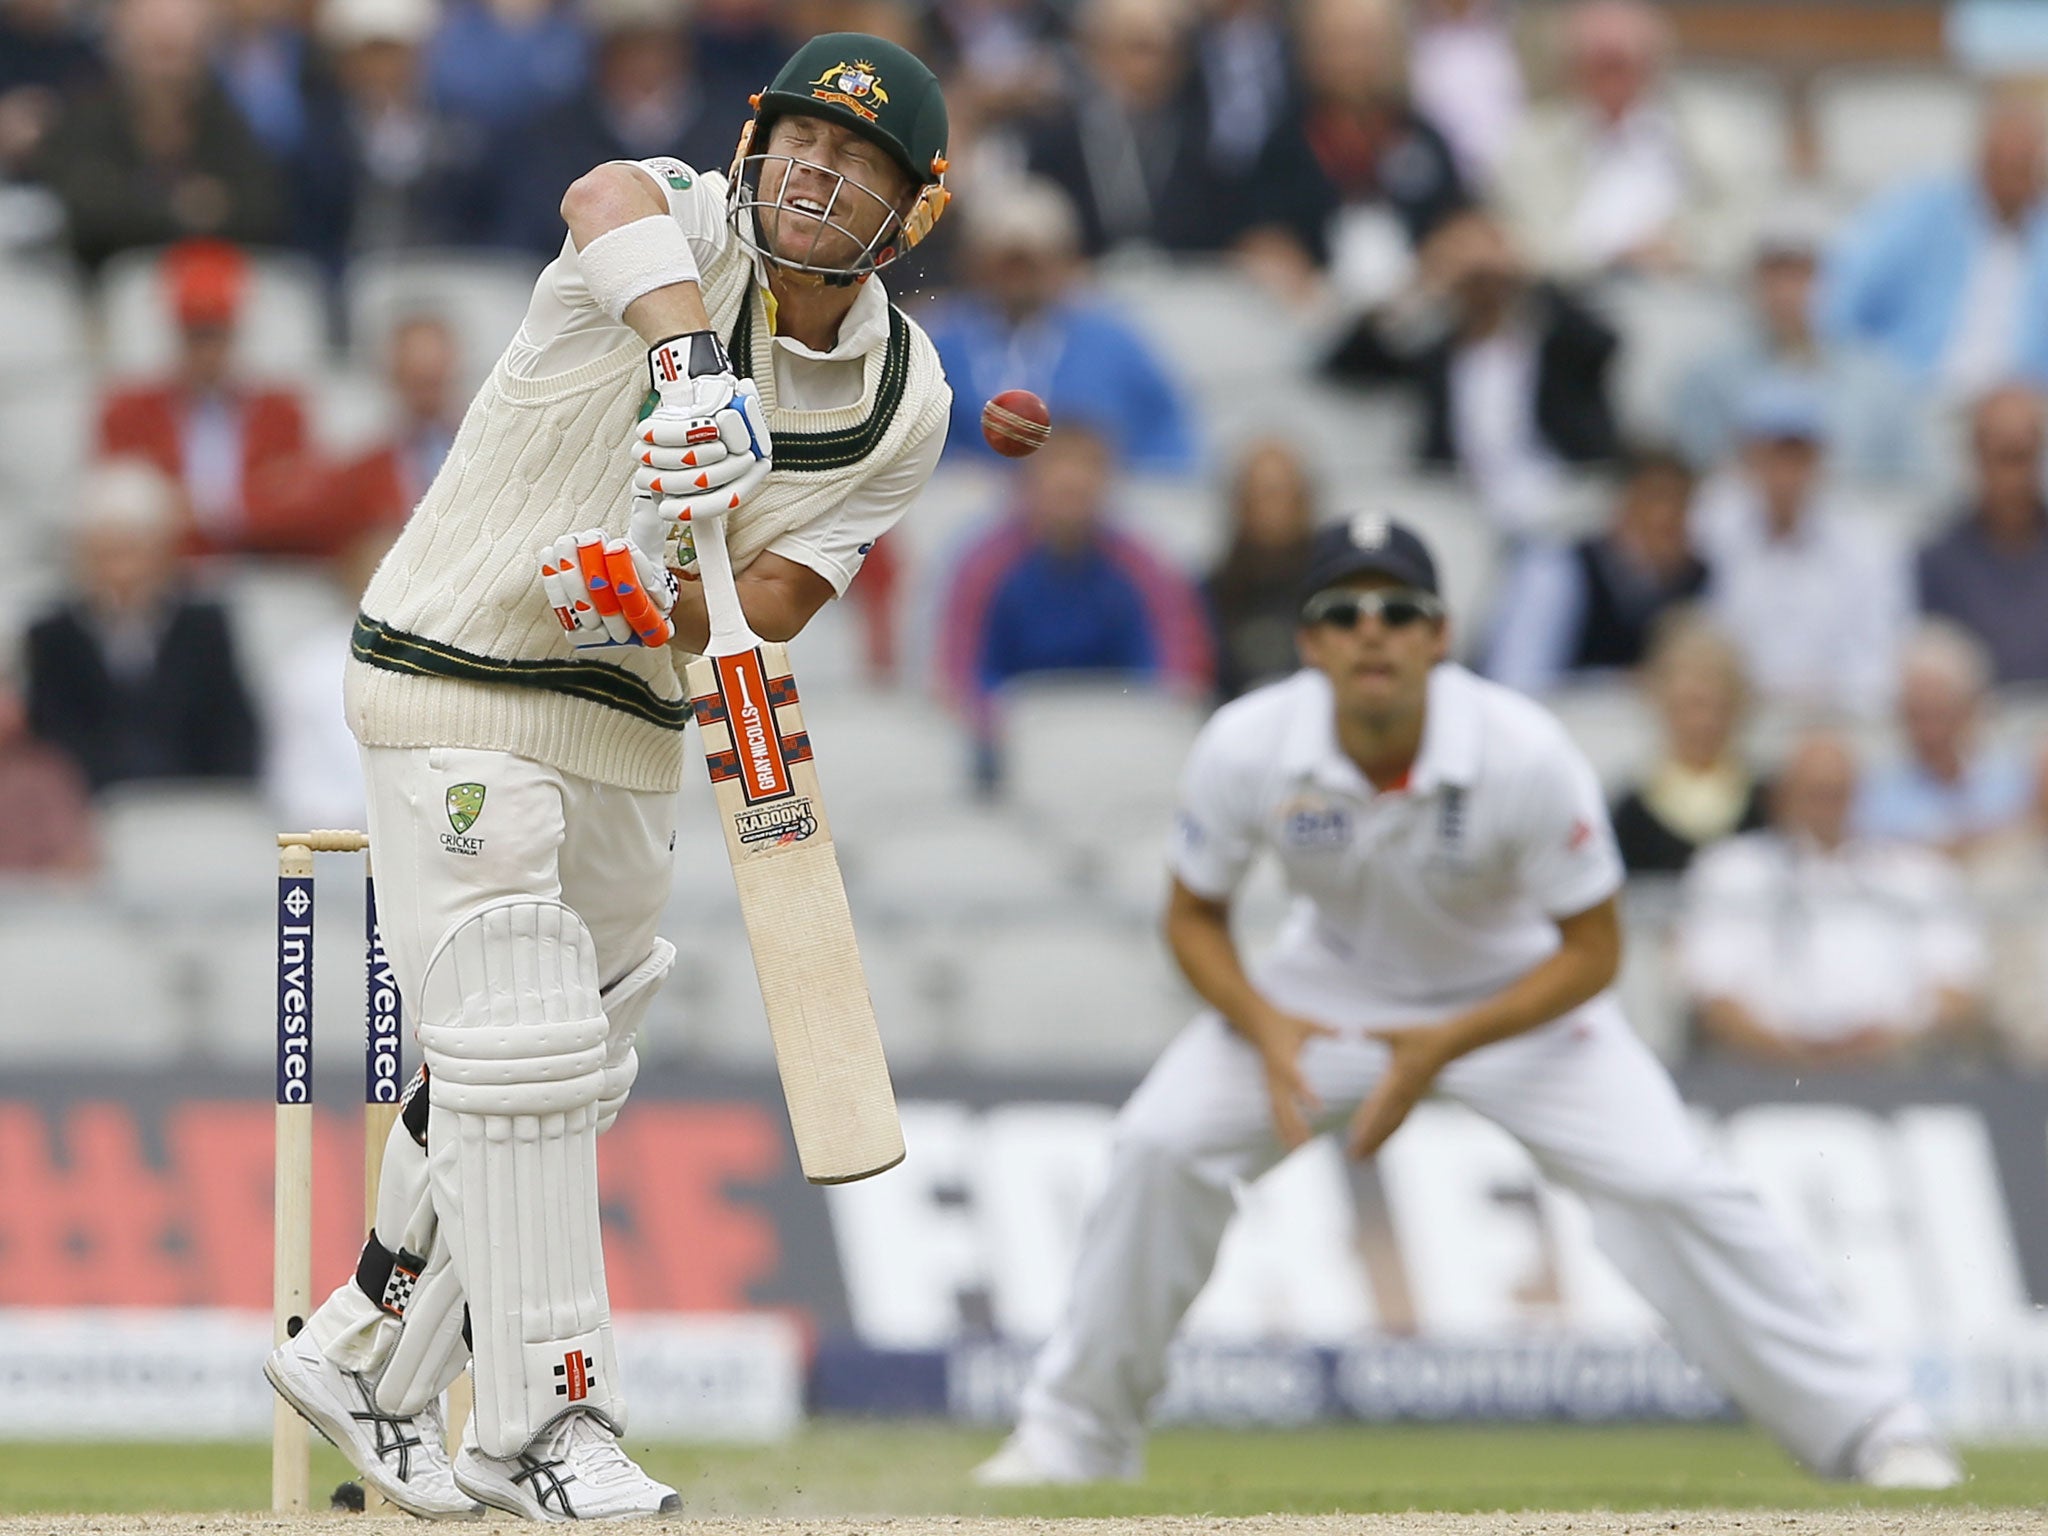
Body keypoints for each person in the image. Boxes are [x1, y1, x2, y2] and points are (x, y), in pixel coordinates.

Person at [264, 31, 955, 1520]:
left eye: (862, 162)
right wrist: (685, 357)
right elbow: (594, 194)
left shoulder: (905, 397)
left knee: (573, 1055)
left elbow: (770, 605)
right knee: (517, 1024)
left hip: (630, 719)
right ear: (757, 144)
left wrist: (652, 594)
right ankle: (540, 1428)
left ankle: (363, 1348)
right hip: (454, 660)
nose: (819, 172)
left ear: (913, 212)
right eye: (803, 142)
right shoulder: (684, 223)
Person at [973, 514, 1959, 1492]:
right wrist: (1268, 1029)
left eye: (1397, 610)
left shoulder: (1519, 750)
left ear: (1438, 635)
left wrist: (1439, 1045)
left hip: (1515, 998)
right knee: (1157, 1146)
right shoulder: (1247, 744)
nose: (1372, 630)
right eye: (1343, 610)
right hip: (1325, 992)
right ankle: (1076, 1437)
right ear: (1308, 640)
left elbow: (1591, 952)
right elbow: (1191, 916)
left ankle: (1874, 1429)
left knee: (1672, 1186)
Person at [1678, 730, 1988, 1070]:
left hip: (1898, 1070)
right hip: (1761, 1072)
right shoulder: (1730, 871)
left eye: (1838, 793)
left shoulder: (1917, 873)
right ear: (1780, 796)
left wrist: (1885, 1041)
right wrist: (1793, 1055)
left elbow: (1957, 984)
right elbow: (1711, 990)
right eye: (1813, 793)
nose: (1826, 807)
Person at [938, 422, 1213, 770]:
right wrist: (1010, 726)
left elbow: (1174, 668)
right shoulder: (984, 567)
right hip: (1011, 752)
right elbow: (962, 675)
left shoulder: (1142, 567)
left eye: (1082, 483)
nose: (1071, 494)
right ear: (1028, 485)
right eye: (1059, 483)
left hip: (1121, 741)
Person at [1326, 208, 1620, 533]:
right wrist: (1420, 282)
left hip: (1557, 497)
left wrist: (1522, 271)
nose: (1481, 284)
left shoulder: (1554, 343)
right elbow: (1344, 365)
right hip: (1462, 509)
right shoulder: (1432, 355)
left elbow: (1602, 344)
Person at [922, 175, 1196, 473]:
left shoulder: (1115, 343)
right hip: (970, 502)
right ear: (974, 262)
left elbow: (1169, 437)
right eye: (1006, 264)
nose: (1019, 280)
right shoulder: (939, 343)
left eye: (1032, 264)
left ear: (1064, 260)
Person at [22, 458, 261, 794]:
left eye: (131, 551)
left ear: (164, 552)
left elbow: (232, 725)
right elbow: (53, 734)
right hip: (91, 802)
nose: (120, 571)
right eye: (104, 554)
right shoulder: (52, 636)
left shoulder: (205, 628)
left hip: (192, 797)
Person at [1492, 0, 1757, 281]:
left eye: (1622, 64)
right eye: (1598, 65)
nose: (1612, 81)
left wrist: (1685, 248)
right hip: (1572, 300)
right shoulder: (1532, 143)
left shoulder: (1712, 134)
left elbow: (1742, 226)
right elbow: (1519, 244)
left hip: (1685, 291)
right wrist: (1610, 257)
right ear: (1571, 68)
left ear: (1653, 64)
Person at [1692, 377, 1909, 718]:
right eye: (1771, 455)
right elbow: (1703, 639)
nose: (1784, 473)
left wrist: (1822, 702)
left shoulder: (1866, 545)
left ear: (1820, 459)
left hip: (1834, 727)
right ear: (1747, 458)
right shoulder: (1708, 533)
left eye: (1797, 456)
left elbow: (1880, 654)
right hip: (1733, 724)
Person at [1672, 206, 1925, 485]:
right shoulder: (1709, 378)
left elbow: (1911, 478)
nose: (1787, 292)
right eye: (1775, 275)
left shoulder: (1876, 378)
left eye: (1802, 274)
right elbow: (1703, 483)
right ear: (1753, 280)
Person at [1820, 94, 2048, 397]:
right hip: (1920, 394)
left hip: (2024, 409)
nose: (2011, 178)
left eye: (2022, 166)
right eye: (2001, 163)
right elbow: (1847, 297)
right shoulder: (1920, 213)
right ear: (1980, 160)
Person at [96, 238, 312, 554]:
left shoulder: (284, 414)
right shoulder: (126, 412)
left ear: (235, 333)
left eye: (217, 334)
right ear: (177, 334)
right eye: (196, 336)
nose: (207, 352)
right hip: (165, 569)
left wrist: (207, 513)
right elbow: (116, 502)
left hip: (258, 558)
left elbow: (303, 502)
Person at [32, 0, 285, 269]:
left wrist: (146, 204)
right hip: (100, 288)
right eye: (158, 51)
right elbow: (87, 209)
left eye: (180, 52)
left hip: (212, 282)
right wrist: (188, 206)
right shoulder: (84, 118)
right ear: (121, 46)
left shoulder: (228, 122)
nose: (168, 72)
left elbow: (262, 207)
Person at [1483, 446, 1706, 695]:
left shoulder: (1700, 578)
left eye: (1681, 503)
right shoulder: (1559, 568)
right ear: (1623, 503)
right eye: (1656, 499)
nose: (1668, 516)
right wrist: (1619, 684)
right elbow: (1517, 680)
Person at [1609, 614, 1766, 874]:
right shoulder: (1631, 812)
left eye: (1718, 706)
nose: (1703, 722)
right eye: (1691, 705)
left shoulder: (1767, 803)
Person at [1856, 621, 2030, 853]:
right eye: (1916, 716)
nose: (1929, 732)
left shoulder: (2017, 777)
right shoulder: (1875, 790)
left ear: (1970, 710)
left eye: (1940, 714)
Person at [1917, 383, 2048, 684]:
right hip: (1972, 724)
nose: (2015, 475)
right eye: (2003, 456)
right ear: (1975, 456)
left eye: (2024, 455)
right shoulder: (1937, 561)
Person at [1204, 437, 1318, 701]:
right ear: (1238, 503)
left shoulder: (1331, 590)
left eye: (1280, 492)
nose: (1270, 507)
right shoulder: (1209, 592)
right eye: (1259, 493)